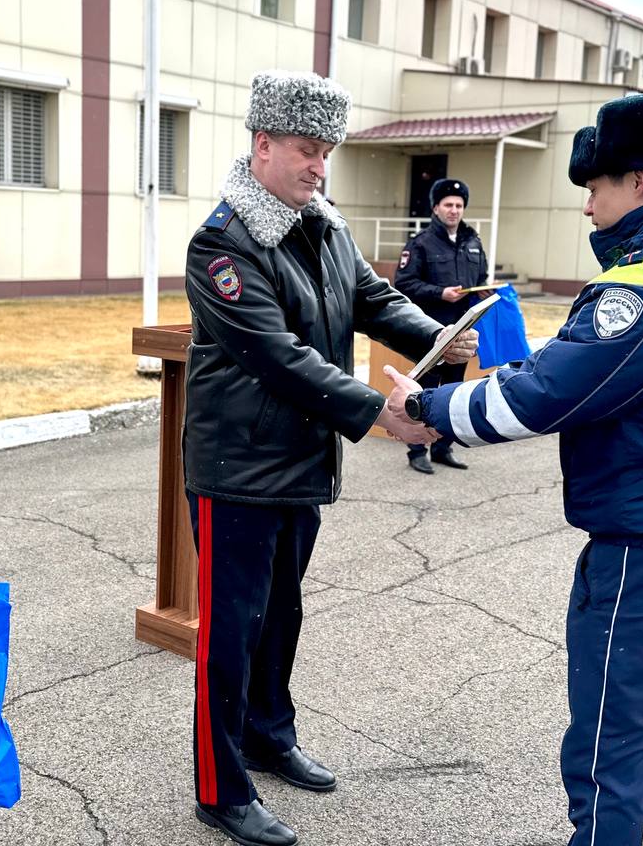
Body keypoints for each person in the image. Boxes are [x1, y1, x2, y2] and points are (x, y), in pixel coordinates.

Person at [391, 93, 643, 846]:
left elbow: (542, 398)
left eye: (594, 187)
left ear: (638, 182)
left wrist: (427, 410)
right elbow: (594, 372)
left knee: (606, 756)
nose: (588, 204)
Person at [182, 70, 477, 846]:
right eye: (308, 151)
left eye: (327, 153)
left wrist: (440, 339)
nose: (319, 166)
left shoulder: (324, 224)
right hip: (236, 471)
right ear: (263, 145)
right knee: (230, 631)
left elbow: (371, 299)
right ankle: (219, 785)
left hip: (299, 462)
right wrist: (374, 412)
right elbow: (271, 353)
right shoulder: (222, 240)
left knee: (282, 613)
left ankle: (268, 735)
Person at [394, 177, 490, 473]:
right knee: (422, 390)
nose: (454, 210)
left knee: (453, 390)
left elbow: (481, 276)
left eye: (459, 205)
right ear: (436, 208)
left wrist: (484, 289)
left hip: (460, 333)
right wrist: (440, 293)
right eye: (448, 205)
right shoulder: (420, 243)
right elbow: (404, 283)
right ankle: (416, 450)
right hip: (430, 332)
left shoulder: (472, 241)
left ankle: (442, 446)